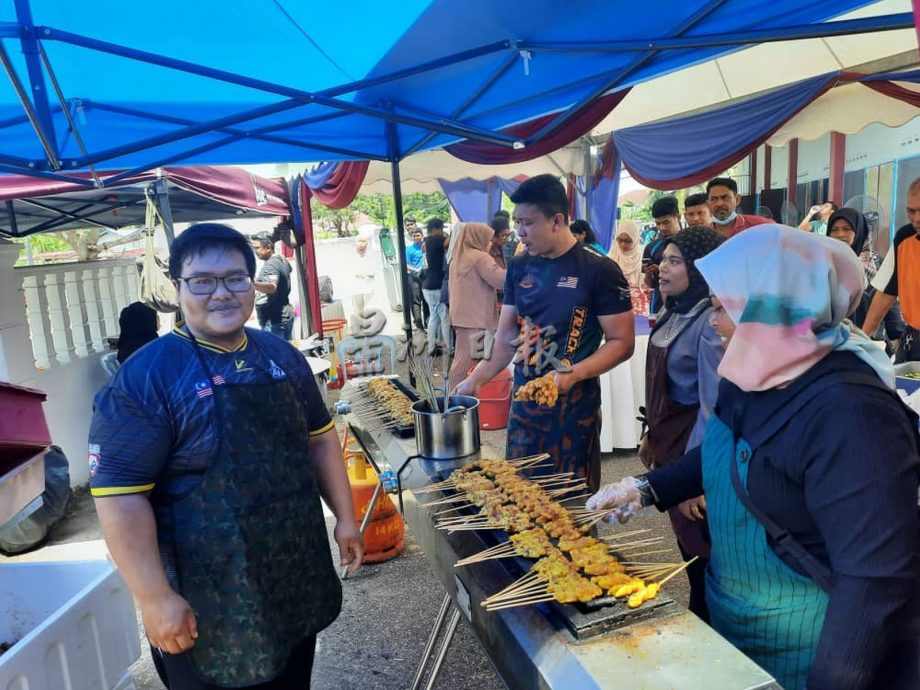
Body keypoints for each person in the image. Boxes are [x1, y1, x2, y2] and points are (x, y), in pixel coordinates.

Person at [588, 226, 919, 690]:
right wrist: (647, 488)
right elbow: (726, 448)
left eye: (724, 309)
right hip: (733, 627)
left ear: (774, 311)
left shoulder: (854, 415)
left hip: (809, 652)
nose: (714, 322)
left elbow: (875, 578)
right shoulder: (753, 372)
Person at [89, 223, 363, 690]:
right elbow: (119, 497)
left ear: (252, 285)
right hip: (207, 597)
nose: (222, 293)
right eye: (203, 281)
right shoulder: (146, 379)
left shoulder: (282, 356)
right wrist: (154, 597)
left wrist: (345, 517)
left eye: (235, 279)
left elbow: (319, 438)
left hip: (291, 577)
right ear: (177, 287)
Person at [456, 174, 635, 491]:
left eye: (528, 222)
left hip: (573, 406)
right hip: (525, 403)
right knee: (522, 498)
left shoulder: (598, 269)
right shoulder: (521, 265)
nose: (520, 232)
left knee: (571, 508)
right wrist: (476, 378)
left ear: (557, 220)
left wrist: (573, 373)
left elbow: (622, 343)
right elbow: (507, 335)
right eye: (517, 222)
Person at [639, 226, 725, 621]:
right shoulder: (669, 312)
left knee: (706, 561)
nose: (663, 269)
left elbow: (712, 409)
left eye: (675, 261)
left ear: (699, 270)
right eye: (663, 260)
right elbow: (659, 387)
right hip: (668, 448)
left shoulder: (710, 325)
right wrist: (648, 436)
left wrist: (696, 481)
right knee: (686, 551)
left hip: (694, 453)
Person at [825, 207, 904, 347]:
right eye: (834, 229)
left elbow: (887, 298)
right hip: (830, 340)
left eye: (847, 228)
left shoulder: (876, 263)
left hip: (869, 340)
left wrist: (898, 335)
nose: (840, 234)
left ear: (859, 231)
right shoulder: (822, 263)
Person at [862, 177, 920, 361]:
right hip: (914, 342)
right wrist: (863, 340)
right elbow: (886, 294)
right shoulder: (904, 239)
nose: (917, 219)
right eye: (911, 211)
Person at [447, 223, 506, 390]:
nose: (490, 244)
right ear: (478, 239)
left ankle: (460, 400)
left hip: (464, 316)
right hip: (477, 318)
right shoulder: (479, 257)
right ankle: (454, 401)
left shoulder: (458, 256)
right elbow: (500, 280)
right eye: (488, 240)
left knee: (466, 361)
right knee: (467, 364)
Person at [643, 196, 682, 315]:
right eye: (658, 223)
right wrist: (650, 273)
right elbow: (649, 283)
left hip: (686, 301)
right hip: (659, 304)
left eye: (666, 222)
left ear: (678, 217)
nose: (662, 228)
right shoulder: (651, 248)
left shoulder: (690, 243)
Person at [252, 231, 294, 340]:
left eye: (257, 248)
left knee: (275, 355)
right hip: (283, 316)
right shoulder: (282, 259)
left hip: (274, 320)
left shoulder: (272, 264)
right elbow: (289, 270)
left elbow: (272, 287)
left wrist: (251, 283)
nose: (255, 251)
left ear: (268, 247)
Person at [422, 218, 450, 356]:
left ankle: (432, 348)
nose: (442, 231)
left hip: (427, 285)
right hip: (437, 286)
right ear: (435, 229)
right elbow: (450, 241)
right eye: (440, 229)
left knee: (434, 317)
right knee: (445, 317)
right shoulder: (437, 240)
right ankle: (449, 349)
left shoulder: (426, 241)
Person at [607, 220, 648, 314]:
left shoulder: (642, 256)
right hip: (615, 305)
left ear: (635, 239)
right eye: (620, 240)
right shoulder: (611, 257)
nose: (623, 244)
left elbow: (648, 285)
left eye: (628, 241)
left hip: (640, 306)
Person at [352, 230, 377, 328]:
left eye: (364, 241)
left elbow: (374, 270)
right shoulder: (351, 255)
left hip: (369, 286)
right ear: (356, 243)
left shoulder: (371, 254)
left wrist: (366, 274)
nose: (362, 244)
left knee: (369, 308)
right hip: (356, 287)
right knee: (358, 309)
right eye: (360, 241)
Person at [405, 228, 427, 331]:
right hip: (413, 277)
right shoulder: (409, 249)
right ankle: (419, 325)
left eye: (418, 235)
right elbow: (407, 265)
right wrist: (416, 270)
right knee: (416, 301)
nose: (416, 237)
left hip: (425, 275)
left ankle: (428, 323)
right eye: (414, 236)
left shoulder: (425, 246)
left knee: (426, 301)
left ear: (422, 235)